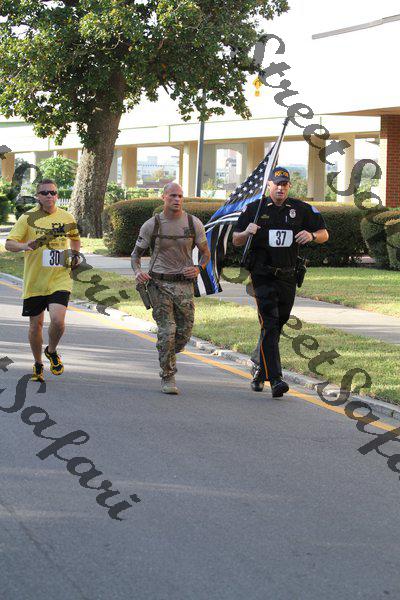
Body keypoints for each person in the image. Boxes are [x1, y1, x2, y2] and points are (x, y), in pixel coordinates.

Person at [233, 166, 329, 398]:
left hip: (288, 275)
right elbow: (236, 240)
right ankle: (276, 379)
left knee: (278, 323)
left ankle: (259, 367)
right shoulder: (255, 209)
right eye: (277, 184)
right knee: (270, 323)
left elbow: (324, 234)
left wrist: (312, 235)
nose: (280, 188)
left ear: (289, 187)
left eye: (284, 185)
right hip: (262, 275)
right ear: (269, 185)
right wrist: (247, 232)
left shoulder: (300, 209)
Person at [131, 182, 210, 394]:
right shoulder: (152, 225)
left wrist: (198, 268)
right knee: (168, 331)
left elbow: (206, 253)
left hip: (184, 286)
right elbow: (136, 255)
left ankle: (165, 351)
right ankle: (168, 376)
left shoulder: (193, 223)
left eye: (180, 196)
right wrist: (138, 272)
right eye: (173, 195)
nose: (177, 199)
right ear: (164, 197)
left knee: (184, 333)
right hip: (159, 284)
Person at [5, 179, 81, 382]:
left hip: (60, 278)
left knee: (58, 320)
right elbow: (9, 244)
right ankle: (38, 363)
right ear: (37, 196)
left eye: (53, 192)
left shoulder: (66, 217)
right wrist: (24, 246)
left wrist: (75, 255)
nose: (49, 196)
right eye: (45, 193)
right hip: (35, 281)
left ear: (57, 195)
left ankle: (52, 350)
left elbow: (75, 238)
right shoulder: (27, 218)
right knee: (35, 326)